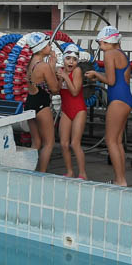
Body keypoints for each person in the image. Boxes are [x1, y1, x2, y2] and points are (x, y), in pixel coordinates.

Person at [85, 26, 132, 186]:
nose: (100, 46)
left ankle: (120, 180)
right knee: (117, 141)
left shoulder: (110, 54)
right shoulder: (122, 54)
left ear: (108, 41)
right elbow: (121, 79)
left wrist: (96, 74)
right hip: (126, 98)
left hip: (117, 99)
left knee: (111, 141)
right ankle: (121, 179)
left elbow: (111, 81)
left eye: (101, 43)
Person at [23, 33, 60, 173]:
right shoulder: (43, 66)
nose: (50, 46)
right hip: (41, 105)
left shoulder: (30, 63)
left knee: (36, 142)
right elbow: (55, 89)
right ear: (42, 48)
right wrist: (53, 67)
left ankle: (29, 171)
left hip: (30, 103)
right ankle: (41, 174)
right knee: (49, 143)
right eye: (48, 44)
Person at [58, 44, 87, 179]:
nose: (71, 62)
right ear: (63, 59)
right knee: (64, 144)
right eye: (68, 58)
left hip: (78, 110)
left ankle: (82, 173)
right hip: (66, 110)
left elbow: (75, 92)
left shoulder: (77, 71)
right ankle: (70, 171)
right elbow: (56, 90)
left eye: (74, 59)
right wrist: (59, 77)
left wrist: (65, 76)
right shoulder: (61, 71)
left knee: (75, 143)